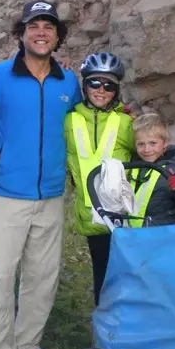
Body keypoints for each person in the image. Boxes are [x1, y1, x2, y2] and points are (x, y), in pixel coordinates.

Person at [0, 0, 82, 349]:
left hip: (51, 196)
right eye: (33, 26)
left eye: (49, 26)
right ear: (20, 34)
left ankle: (27, 344)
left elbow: (80, 128)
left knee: (42, 277)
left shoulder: (69, 80)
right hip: (6, 195)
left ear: (58, 37)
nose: (41, 32)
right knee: (0, 277)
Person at [63, 52, 135, 307]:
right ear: (84, 86)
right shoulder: (69, 118)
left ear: (116, 90)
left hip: (123, 215)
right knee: (102, 277)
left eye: (109, 85)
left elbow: (149, 151)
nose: (101, 90)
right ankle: (104, 332)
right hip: (90, 215)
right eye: (94, 83)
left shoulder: (127, 121)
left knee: (126, 278)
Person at [129, 112, 175, 227]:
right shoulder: (134, 167)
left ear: (165, 143)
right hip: (135, 233)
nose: (146, 149)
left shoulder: (174, 168)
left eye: (153, 143)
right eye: (141, 144)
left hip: (165, 232)